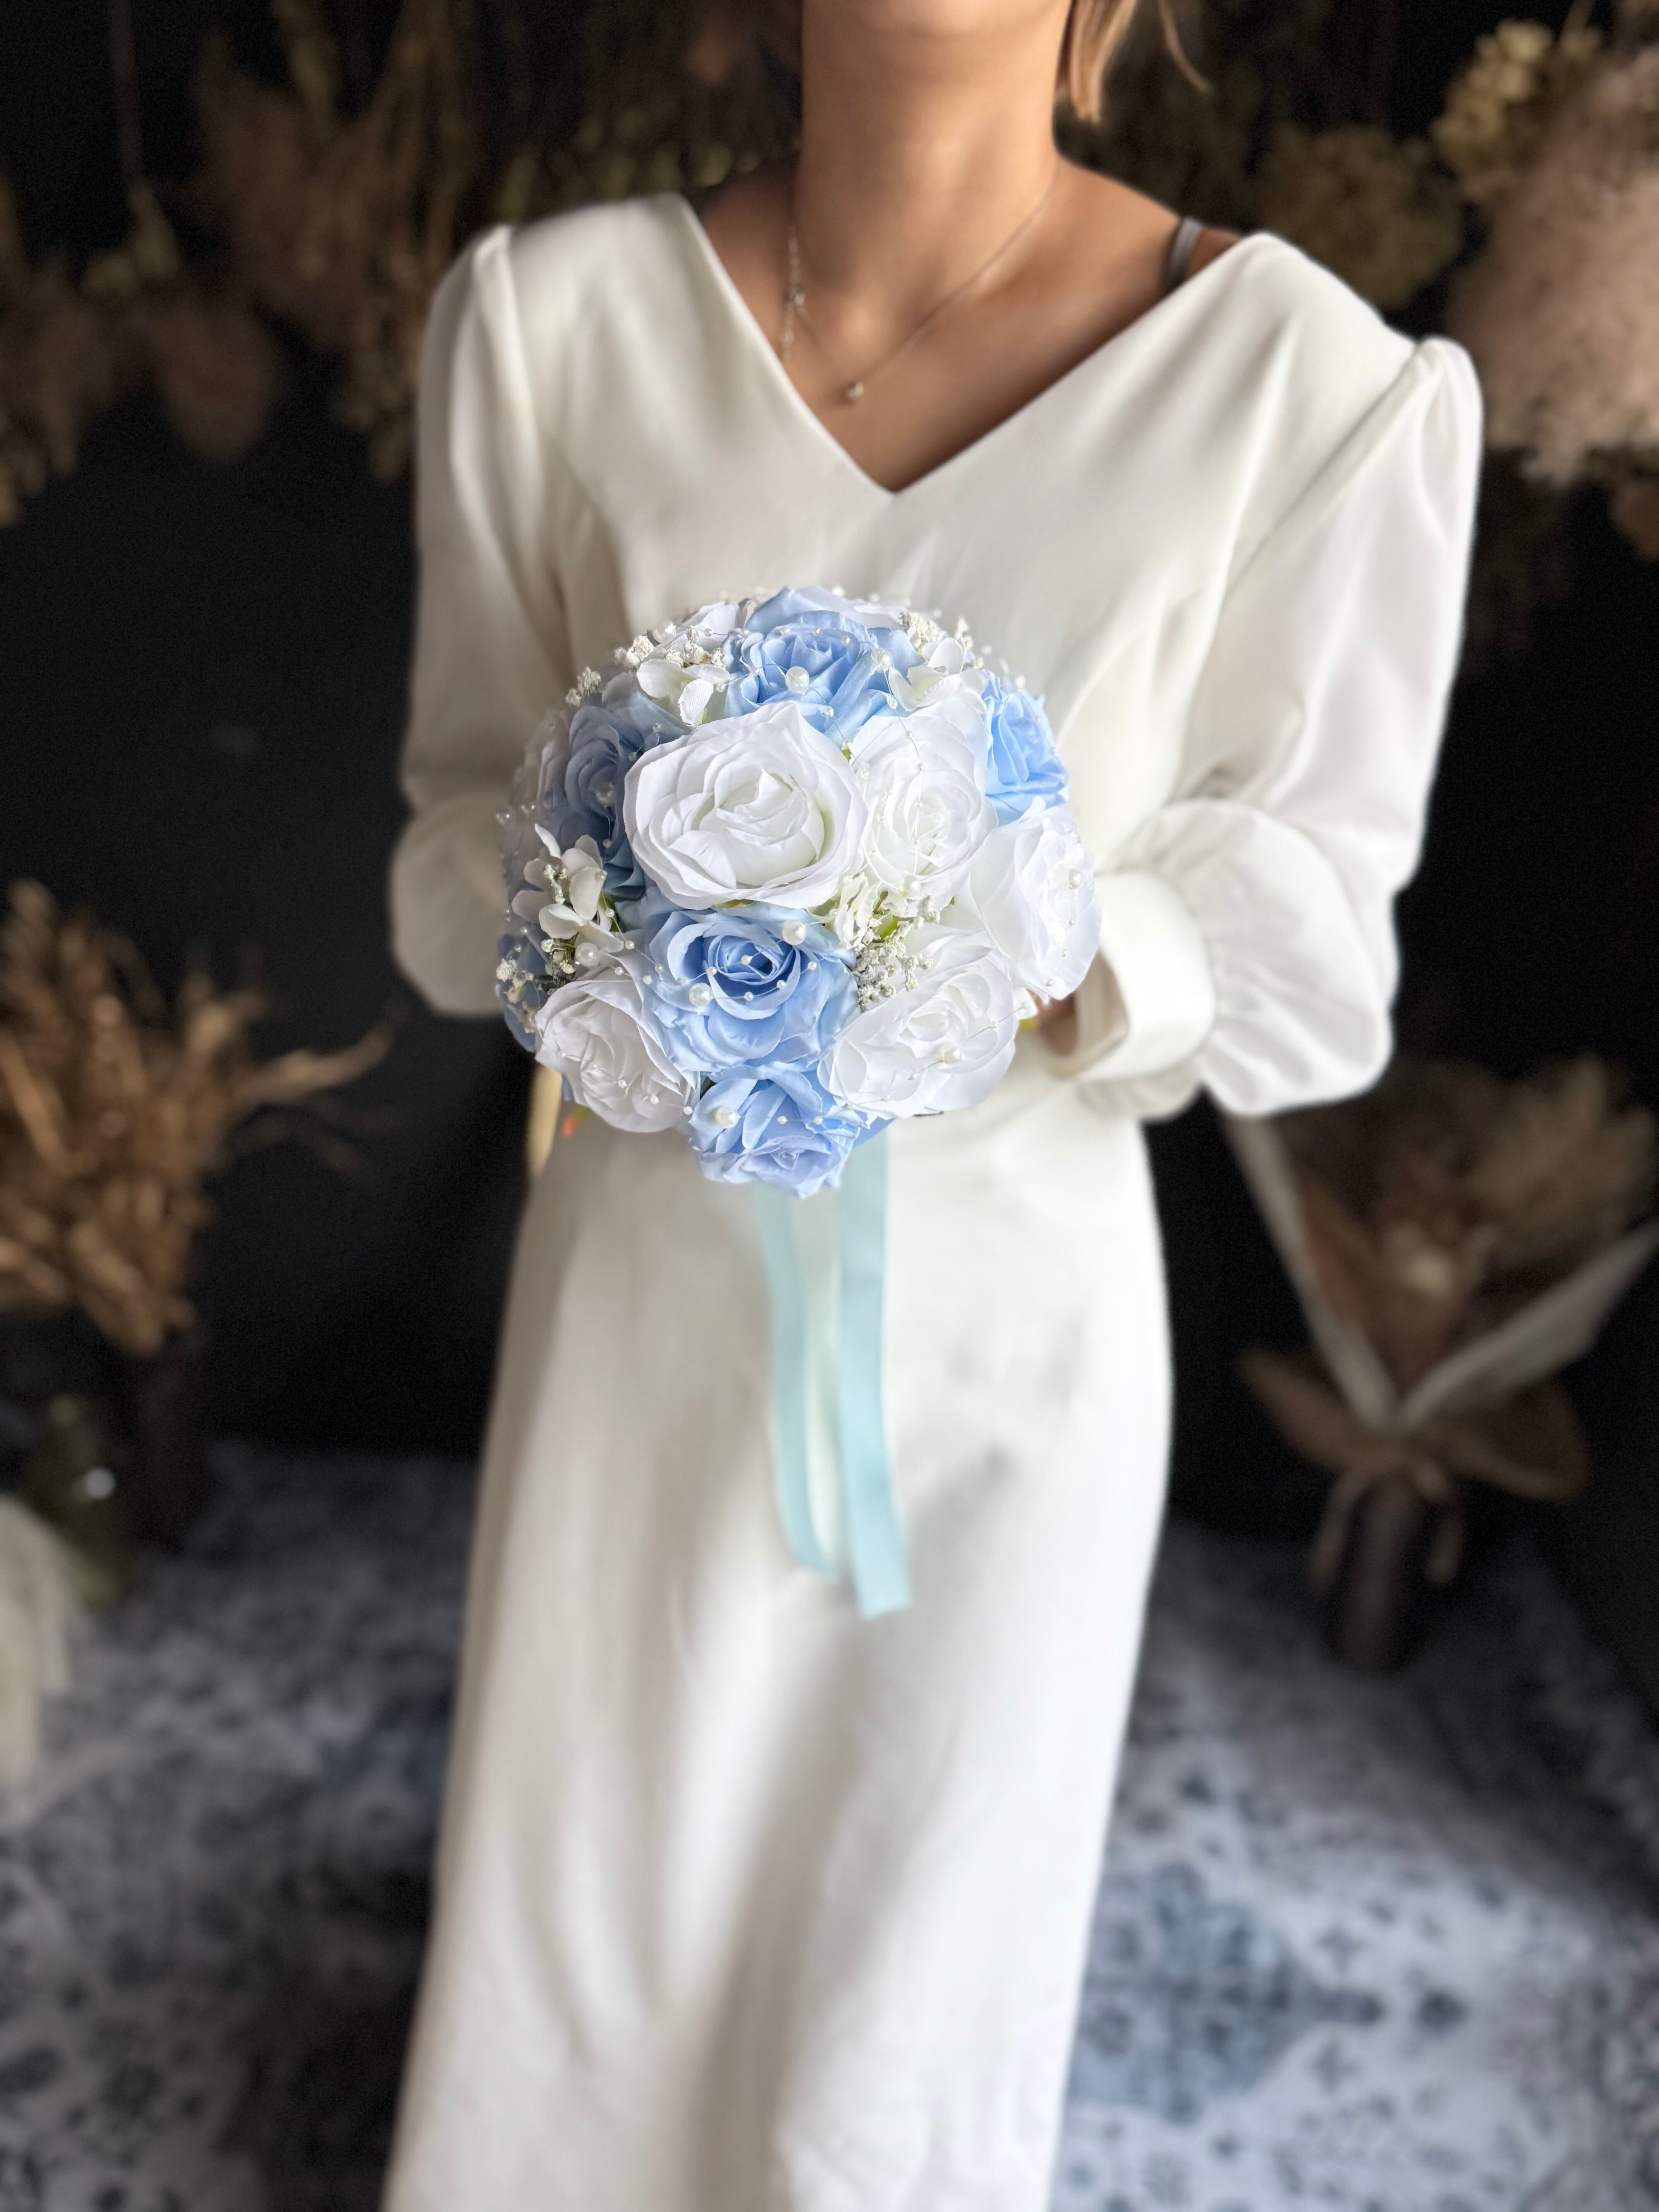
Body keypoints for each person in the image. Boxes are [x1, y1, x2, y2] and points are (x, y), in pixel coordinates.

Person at [381, 0, 1480, 2204]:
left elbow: (1314, 974)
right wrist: (637, 875)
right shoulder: (543, 325)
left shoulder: (1313, 390)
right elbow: (438, 875)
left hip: (1011, 1357)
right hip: (639, 1317)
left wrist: (998, 927)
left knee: (905, 1993)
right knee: (582, 1939)